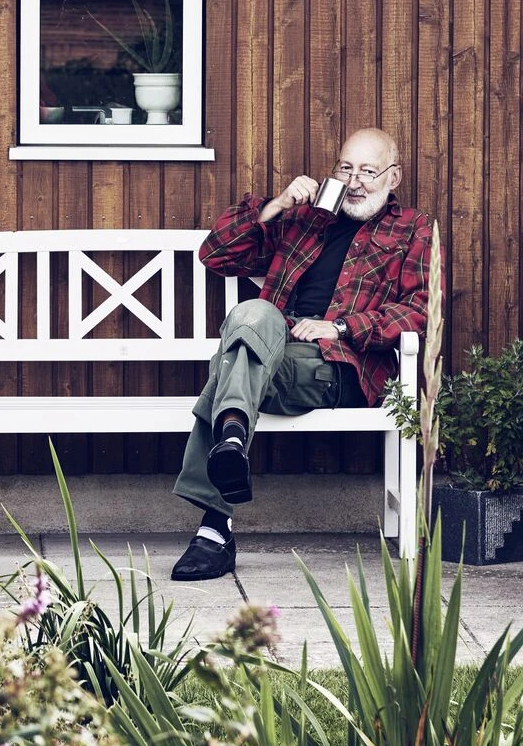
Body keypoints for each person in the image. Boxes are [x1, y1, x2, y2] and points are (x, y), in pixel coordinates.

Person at [169, 128, 437, 581]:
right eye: (345, 168)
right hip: (271, 345)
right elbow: (215, 255)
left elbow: (419, 311)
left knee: (232, 359)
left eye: (368, 172)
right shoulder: (306, 219)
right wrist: (276, 207)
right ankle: (230, 443)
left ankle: (216, 525)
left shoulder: (412, 228)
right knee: (254, 313)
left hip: (337, 362)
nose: (354, 182)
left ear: (393, 178)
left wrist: (341, 326)